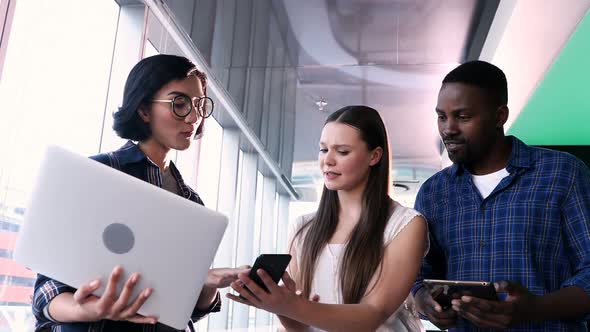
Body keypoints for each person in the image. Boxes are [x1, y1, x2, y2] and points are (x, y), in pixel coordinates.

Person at [32, 54, 247, 332]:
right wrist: (87, 309)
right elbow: (45, 292)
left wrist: (206, 282)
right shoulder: (98, 174)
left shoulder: (192, 203)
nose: (194, 117)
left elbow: (186, 312)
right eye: (179, 104)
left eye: (198, 105)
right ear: (144, 110)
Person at [412, 60, 590, 331]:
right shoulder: (434, 193)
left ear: (500, 116)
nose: (448, 128)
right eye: (441, 116)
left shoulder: (563, 174)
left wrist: (535, 309)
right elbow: (419, 275)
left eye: (462, 117)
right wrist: (425, 301)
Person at [227, 105, 429, 331]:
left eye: (342, 152)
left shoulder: (405, 225)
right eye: (323, 150)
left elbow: (374, 313)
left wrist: (291, 305)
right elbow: (300, 327)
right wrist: (278, 305)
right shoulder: (303, 228)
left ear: (375, 156)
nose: (328, 161)